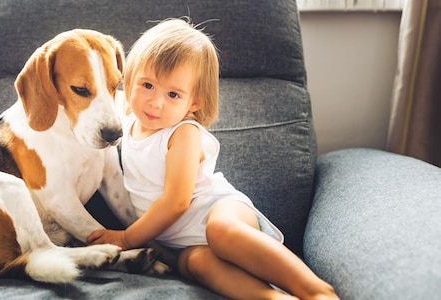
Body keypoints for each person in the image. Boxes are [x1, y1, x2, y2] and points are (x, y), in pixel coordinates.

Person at [86, 18, 339, 300]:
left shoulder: (182, 134)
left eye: (173, 94)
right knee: (197, 264)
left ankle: (316, 290)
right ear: (129, 80)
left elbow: (176, 202)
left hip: (218, 211)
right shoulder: (126, 119)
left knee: (221, 231)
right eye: (147, 85)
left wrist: (126, 238)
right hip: (184, 245)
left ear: (193, 102)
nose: (156, 102)